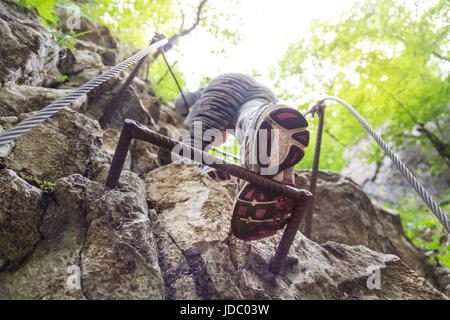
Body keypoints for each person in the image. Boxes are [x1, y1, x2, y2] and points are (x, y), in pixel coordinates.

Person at [174, 73, 309, 241]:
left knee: (195, 144)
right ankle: (257, 121)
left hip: (224, 84)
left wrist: (183, 109)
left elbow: (181, 100)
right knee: (248, 117)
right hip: (263, 94)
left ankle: (201, 167)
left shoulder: (204, 91)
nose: (222, 140)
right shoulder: (253, 91)